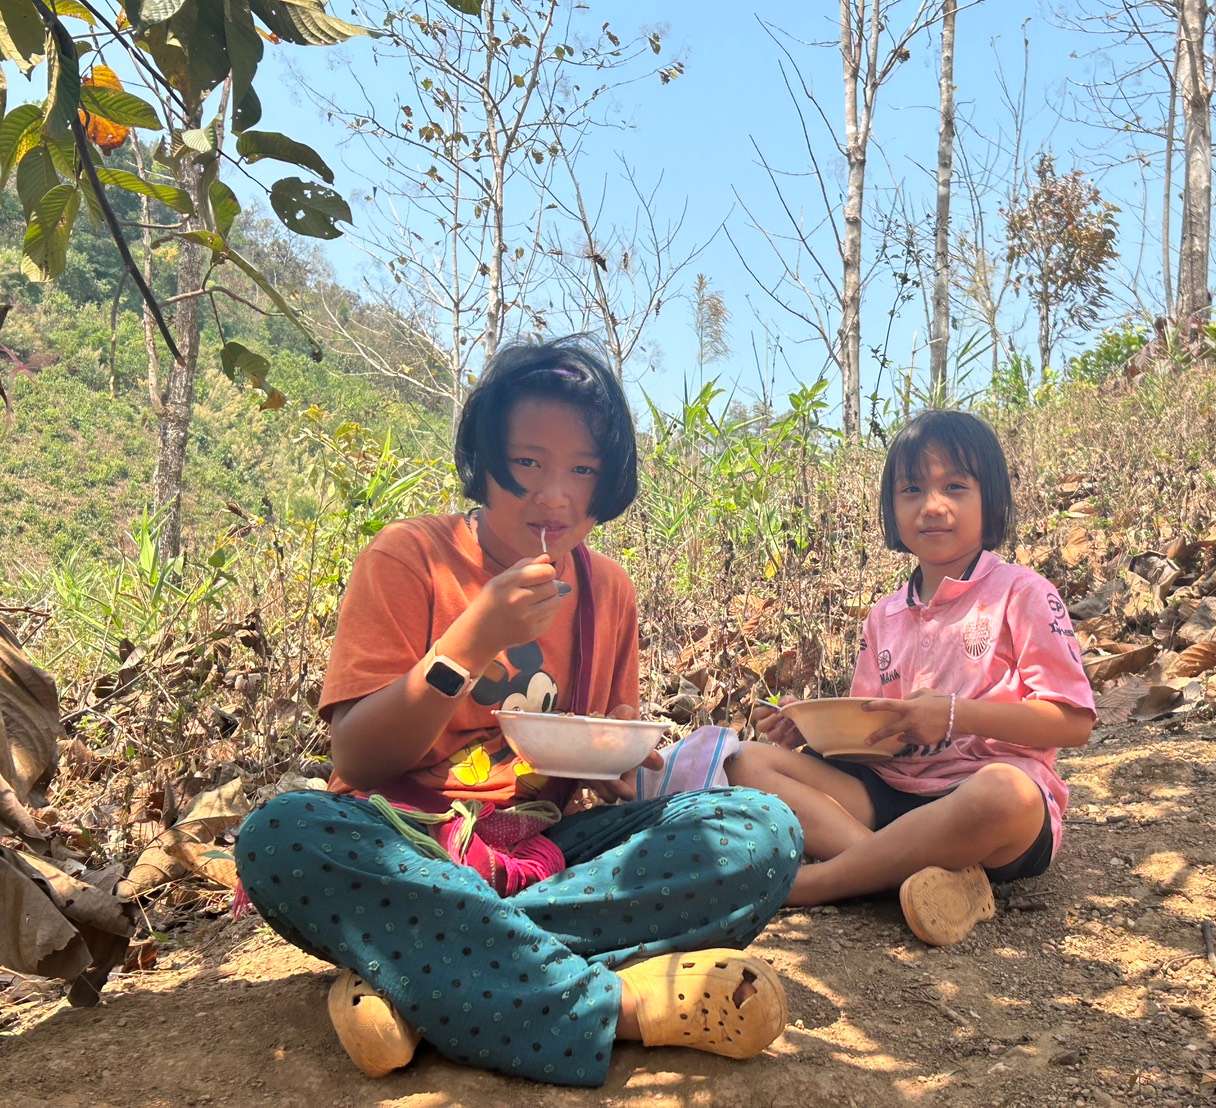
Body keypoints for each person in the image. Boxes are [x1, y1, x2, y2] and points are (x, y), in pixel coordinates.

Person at [235, 337, 800, 1087]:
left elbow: (596, 757)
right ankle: (621, 1005)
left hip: (544, 850)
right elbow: (358, 761)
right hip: (406, 847)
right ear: (484, 461)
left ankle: (417, 973)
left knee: (759, 829)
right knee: (281, 834)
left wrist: (625, 766)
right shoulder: (409, 557)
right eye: (528, 464)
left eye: (583, 470)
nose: (555, 497)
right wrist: (470, 641)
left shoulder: (608, 591)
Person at [728, 409, 1095, 947]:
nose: (933, 506)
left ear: (989, 502)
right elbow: (870, 741)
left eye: (954, 486)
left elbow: (1072, 722)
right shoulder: (884, 615)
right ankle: (920, 879)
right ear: (892, 510)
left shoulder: (1023, 593)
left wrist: (952, 716)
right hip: (892, 796)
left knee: (1007, 794)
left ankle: (818, 884)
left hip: (980, 806)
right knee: (747, 759)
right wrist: (813, 735)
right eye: (912, 489)